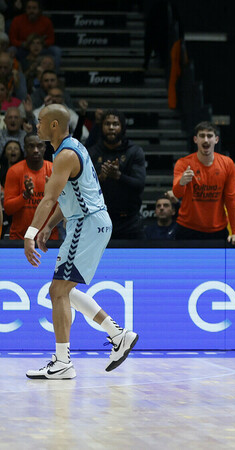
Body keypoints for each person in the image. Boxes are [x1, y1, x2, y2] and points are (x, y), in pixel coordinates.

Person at [23, 104, 138, 379]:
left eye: (40, 121)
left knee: (58, 290)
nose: (35, 126)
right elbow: (69, 197)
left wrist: (29, 233)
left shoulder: (65, 155)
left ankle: (63, 362)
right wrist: (49, 225)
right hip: (89, 222)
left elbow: (49, 198)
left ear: (54, 125)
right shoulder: (74, 147)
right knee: (64, 290)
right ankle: (117, 334)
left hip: (86, 225)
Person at [172, 121, 235, 245]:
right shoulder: (183, 163)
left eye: (209, 136)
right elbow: (177, 193)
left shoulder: (227, 164)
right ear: (195, 139)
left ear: (216, 140)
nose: (206, 140)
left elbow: (231, 200)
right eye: (202, 136)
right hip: (187, 228)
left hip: (217, 229)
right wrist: (182, 182)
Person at [89, 110, 146, 239]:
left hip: (129, 222)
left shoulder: (134, 151)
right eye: (107, 124)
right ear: (101, 127)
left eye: (115, 124)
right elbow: (83, 189)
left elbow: (139, 184)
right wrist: (100, 178)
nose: (111, 128)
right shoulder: (92, 152)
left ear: (122, 127)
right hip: (99, 222)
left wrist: (118, 176)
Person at [3, 132, 57, 239]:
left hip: (48, 237)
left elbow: (65, 208)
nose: (36, 150)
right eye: (31, 146)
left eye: (39, 146)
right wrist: (25, 196)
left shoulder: (54, 170)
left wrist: (52, 195)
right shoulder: (14, 171)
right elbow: (8, 209)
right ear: (25, 148)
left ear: (45, 148)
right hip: (20, 238)